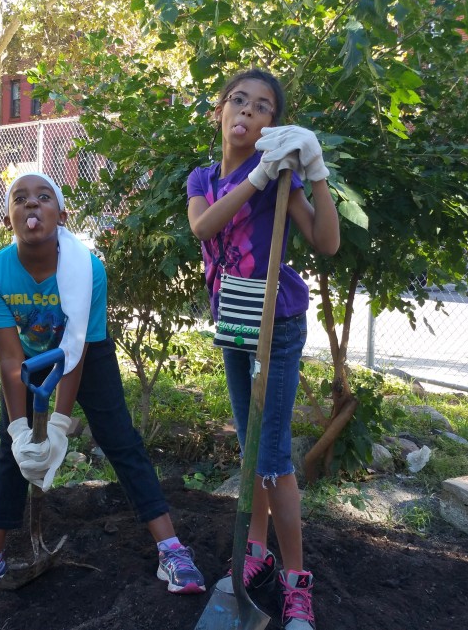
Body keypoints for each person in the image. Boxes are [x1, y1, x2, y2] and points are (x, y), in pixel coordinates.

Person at [0, 171, 206, 597]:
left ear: (61, 215)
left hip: (86, 352)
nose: (31, 205)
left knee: (120, 440)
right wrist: (20, 429)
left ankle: (171, 549)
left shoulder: (86, 268)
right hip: (28, 358)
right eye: (19, 199)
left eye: (43, 197)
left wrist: (59, 423)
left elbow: (75, 348)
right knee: (12, 452)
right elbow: (9, 360)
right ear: (8, 219)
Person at [186, 69, 340, 630]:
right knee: (251, 442)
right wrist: (258, 178)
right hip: (234, 318)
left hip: (278, 319)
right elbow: (204, 228)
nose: (248, 113)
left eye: (264, 108)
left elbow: (326, 242)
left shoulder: (281, 175)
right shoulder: (201, 179)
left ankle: (298, 586)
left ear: (274, 123)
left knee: (271, 457)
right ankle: (255, 555)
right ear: (220, 110)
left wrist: (313, 170)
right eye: (239, 101)